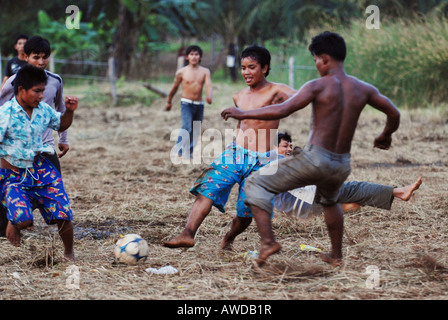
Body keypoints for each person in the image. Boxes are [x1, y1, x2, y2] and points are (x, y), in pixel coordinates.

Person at [221, 31, 401, 267]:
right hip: (341, 164)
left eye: (316, 59)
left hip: (316, 158)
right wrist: (386, 134)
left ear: (324, 59)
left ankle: (268, 242)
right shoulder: (363, 88)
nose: (316, 64)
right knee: (330, 201)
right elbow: (393, 113)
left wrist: (243, 113)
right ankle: (336, 255)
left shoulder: (317, 85)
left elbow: (282, 110)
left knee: (256, 183)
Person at [163, 45, 296, 249]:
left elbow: (303, 96)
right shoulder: (239, 96)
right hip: (235, 154)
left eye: (252, 67)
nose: (246, 72)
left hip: (262, 162)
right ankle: (187, 234)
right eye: (243, 67)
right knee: (208, 188)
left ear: (265, 68)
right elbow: (242, 126)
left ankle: (229, 238)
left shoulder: (277, 91)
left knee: (246, 212)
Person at [0, 65, 78, 261]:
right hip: (14, 176)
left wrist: (69, 111)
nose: (41, 96)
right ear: (21, 90)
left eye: (43, 90)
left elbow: (61, 124)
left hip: (42, 170)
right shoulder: (5, 114)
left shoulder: (43, 110)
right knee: (24, 219)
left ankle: (69, 252)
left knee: (63, 213)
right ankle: (15, 223)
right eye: (37, 91)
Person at [0, 35, 70, 237]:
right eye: (36, 57)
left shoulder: (55, 81)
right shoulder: (15, 82)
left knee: (53, 187)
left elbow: (61, 110)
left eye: (44, 57)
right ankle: (10, 226)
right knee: (11, 188)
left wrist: (63, 139)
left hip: (45, 147)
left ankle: (43, 222)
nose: (41, 62)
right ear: (25, 57)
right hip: (15, 150)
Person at [273, 132, 422, 218]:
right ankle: (341, 208)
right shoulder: (271, 162)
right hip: (302, 205)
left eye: (290, 146)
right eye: (285, 146)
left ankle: (399, 192)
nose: (289, 149)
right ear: (273, 147)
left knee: (354, 187)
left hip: (314, 191)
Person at [166, 45, 213, 159]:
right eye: (191, 54)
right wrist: (169, 100)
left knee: (196, 129)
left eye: (196, 54)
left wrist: (209, 96)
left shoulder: (205, 71)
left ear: (200, 56)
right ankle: (179, 150)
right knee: (187, 126)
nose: (194, 57)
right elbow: (175, 87)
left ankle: (189, 152)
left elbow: (208, 85)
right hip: (186, 103)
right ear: (187, 57)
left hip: (199, 105)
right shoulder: (181, 72)